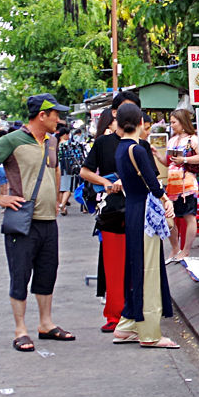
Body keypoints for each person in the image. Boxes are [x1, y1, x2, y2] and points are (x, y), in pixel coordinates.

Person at [0, 94, 75, 352]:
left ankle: (46, 324)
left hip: (48, 220)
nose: (59, 119)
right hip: (23, 220)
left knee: (47, 272)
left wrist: (57, 201)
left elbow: (54, 169)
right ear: (42, 115)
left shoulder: (52, 141)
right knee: (20, 275)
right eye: (55, 115)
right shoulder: (12, 140)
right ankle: (20, 330)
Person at [112, 102, 177, 346]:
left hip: (134, 211)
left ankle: (127, 324)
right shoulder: (138, 150)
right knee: (148, 270)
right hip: (146, 214)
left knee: (137, 266)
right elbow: (152, 181)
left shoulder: (121, 148)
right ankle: (150, 333)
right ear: (140, 123)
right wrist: (165, 199)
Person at [79, 94, 139, 333]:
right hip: (113, 209)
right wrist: (105, 182)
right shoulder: (103, 143)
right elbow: (85, 171)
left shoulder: (141, 143)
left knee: (139, 263)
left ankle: (137, 311)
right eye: (126, 110)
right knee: (113, 265)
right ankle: (115, 314)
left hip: (138, 208)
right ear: (114, 114)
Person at [165, 108, 199, 262]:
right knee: (170, 218)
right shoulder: (171, 140)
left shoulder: (193, 139)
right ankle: (175, 248)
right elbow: (166, 162)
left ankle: (186, 250)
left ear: (182, 123)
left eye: (174, 122)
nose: (172, 125)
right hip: (172, 185)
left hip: (187, 184)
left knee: (189, 217)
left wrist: (185, 160)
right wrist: (156, 153)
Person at [56, 122, 84, 216]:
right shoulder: (68, 145)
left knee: (60, 188)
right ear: (65, 135)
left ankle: (62, 207)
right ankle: (62, 205)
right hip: (67, 167)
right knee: (68, 188)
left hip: (57, 167)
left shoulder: (55, 144)